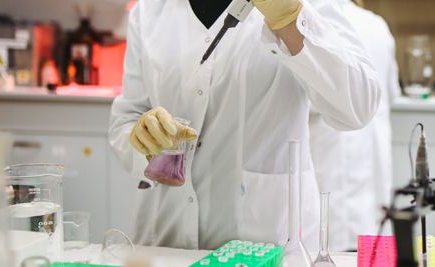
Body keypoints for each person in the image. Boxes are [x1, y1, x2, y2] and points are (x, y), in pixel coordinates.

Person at [108, 0, 382, 251]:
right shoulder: (149, 9)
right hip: (166, 240)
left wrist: (291, 19)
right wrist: (142, 139)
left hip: (267, 242)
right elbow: (126, 118)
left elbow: (358, 107)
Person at [309, 0, 400, 251]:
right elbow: (390, 93)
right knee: (371, 250)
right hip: (372, 168)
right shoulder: (377, 25)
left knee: (330, 249)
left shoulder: (311, 19)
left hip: (328, 160)